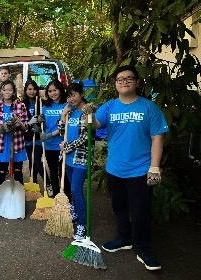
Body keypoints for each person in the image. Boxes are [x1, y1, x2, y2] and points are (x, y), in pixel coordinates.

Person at [93, 65, 168, 271]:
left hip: (141, 170)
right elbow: (94, 126)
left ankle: (143, 249)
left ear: (136, 82)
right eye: (120, 79)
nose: (124, 82)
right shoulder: (109, 107)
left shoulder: (149, 107)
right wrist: (87, 114)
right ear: (115, 84)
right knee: (120, 207)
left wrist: (154, 167)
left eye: (129, 79)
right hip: (115, 168)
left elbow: (157, 137)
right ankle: (124, 238)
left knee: (140, 211)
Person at [59, 82, 94, 240]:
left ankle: (83, 223)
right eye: (68, 96)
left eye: (74, 95)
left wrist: (67, 147)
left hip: (81, 157)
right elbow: (62, 132)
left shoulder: (88, 111)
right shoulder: (71, 112)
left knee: (76, 190)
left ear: (81, 94)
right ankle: (77, 212)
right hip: (69, 158)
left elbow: (87, 137)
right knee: (73, 190)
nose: (71, 98)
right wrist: (62, 116)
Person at [0, 80, 28, 192]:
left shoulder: (20, 105)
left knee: (17, 171)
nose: (7, 92)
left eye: (10, 90)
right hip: (2, 144)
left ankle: (18, 195)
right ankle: (1, 195)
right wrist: (2, 128)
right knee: (2, 171)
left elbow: (26, 126)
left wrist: (19, 124)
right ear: (1, 91)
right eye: (4, 89)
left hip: (17, 143)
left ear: (13, 92)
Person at [39, 80, 71, 200]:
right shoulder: (45, 106)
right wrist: (39, 122)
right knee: (52, 171)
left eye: (55, 90)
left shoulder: (66, 105)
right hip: (48, 145)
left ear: (60, 90)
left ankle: (66, 197)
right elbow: (44, 125)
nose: (53, 93)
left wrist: (51, 135)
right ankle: (57, 196)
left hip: (62, 144)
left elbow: (65, 126)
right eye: (50, 91)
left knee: (63, 172)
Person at [21, 80, 50, 188]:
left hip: (38, 137)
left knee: (37, 161)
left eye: (34, 89)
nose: (32, 92)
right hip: (28, 137)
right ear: (25, 90)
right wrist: (29, 123)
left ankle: (48, 184)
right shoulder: (23, 103)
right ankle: (34, 185)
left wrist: (41, 121)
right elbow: (20, 120)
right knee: (31, 162)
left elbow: (46, 119)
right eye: (29, 89)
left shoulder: (42, 103)